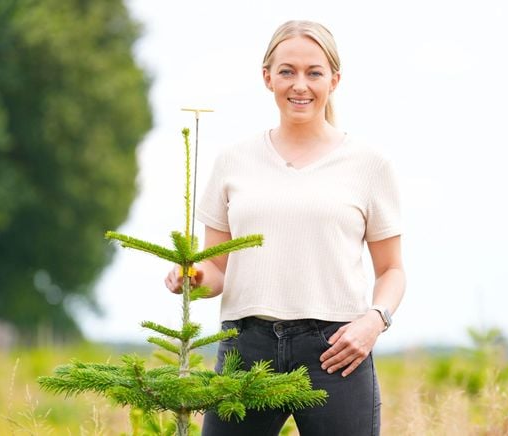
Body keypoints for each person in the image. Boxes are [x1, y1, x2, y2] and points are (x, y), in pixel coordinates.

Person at [165, 19, 405, 436]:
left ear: (335, 79)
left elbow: (392, 271)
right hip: (247, 347)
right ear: (267, 78)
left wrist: (374, 321)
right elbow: (217, 271)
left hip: (337, 350)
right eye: (287, 71)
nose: (300, 85)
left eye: (314, 72)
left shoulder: (369, 164)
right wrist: (192, 276)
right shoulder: (233, 161)